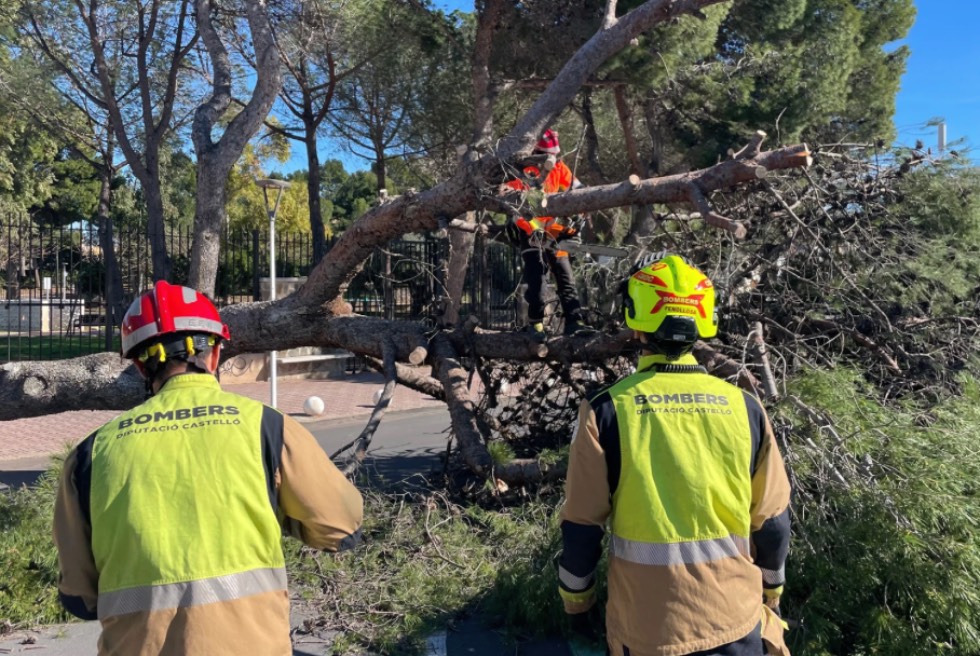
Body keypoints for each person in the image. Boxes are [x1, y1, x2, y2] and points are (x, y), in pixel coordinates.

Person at [53, 280, 364, 656]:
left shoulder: (90, 454)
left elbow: (80, 598)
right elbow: (340, 527)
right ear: (215, 354)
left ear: (139, 366)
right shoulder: (267, 427)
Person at [557, 254, 792, 656]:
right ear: (704, 321)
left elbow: (581, 528)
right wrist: (771, 592)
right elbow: (771, 526)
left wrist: (578, 607)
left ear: (636, 321)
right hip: (735, 624)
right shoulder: (747, 407)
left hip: (646, 630)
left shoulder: (607, 410)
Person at [504, 128, 593, 339]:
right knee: (537, 280)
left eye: (555, 154)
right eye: (548, 154)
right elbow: (514, 206)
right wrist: (535, 231)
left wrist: (579, 214)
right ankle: (536, 324)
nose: (553, 158)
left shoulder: (560, 167)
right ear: (536, 150)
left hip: (555, 233)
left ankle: (574, 321)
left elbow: (577, 190)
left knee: (566, 276)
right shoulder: (522, 171)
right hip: (530, 232)